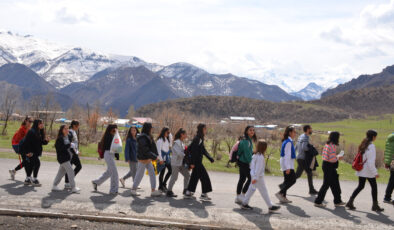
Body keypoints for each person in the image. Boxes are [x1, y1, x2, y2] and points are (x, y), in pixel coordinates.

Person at [346, 130, 384, 212]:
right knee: (374, 187)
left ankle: (350, 201)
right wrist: (375, 173)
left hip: (361, 169)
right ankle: (375, 205)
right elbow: (370, 162)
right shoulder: (371, 146)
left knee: (360, 186)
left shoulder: (363, 144)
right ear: (373, 137)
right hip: (368, 170)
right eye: (375, 136)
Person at [241, 139, 281, 213]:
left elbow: (251, 166)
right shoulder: (260, 157)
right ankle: (270, 206)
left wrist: (253, 176)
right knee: (263, 191)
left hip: (255, 176)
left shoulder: (255, 155)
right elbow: (258, 169)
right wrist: (255, 178)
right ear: (264, 148)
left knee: (252, 189)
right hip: (258, 177)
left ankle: (244, 203)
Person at [314, 132, 345, 207]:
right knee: (326, 185)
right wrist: (338, 157)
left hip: (326, 165)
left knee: (335, 183)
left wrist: (336, 157)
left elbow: (329, 156)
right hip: (329, 166)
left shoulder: (327, 144)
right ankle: (318, 202)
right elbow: (332, 159)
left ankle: (337, 201)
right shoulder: (332, 146)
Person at [130, 122, 162, 197]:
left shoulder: (147, 136)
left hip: (147, 158)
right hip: (143, 159)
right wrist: (155, 157)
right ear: (148, 128)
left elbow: (152, 147)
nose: (152, 129)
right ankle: (133, 189)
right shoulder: (143, 138)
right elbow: (145, 150)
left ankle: (153, 190)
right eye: (151, 128)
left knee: (152, 174)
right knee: (140, 174)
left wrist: (155, 156)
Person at [184, 123, 215, 201]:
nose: (206, 130)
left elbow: (203, 150)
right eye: (205, 129)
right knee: (205, 177)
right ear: (201, 129)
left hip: (197, 162)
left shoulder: (200, 138)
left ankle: (188, 192)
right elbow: (194, 151)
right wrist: (192, 163)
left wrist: (210, 158)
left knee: (195, 177)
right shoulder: (198, 138)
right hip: (197, 163)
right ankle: (204, 194)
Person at [92, 124, 120, 195]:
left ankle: (96, 182)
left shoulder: (112, 136)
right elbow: (114, 147)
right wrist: (116, 135)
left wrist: (117, 155)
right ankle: (113, 190)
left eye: (116, 129)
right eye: (114, 129)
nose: (115, 131)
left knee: (109, 172)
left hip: (110, 155)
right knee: (114, 173)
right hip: (108, 154)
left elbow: (117, 147)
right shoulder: (109, 137)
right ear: (110, 130)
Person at [52, 125, 80, 193]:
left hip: (67, 158)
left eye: (67, 128)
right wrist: (69, 145)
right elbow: (60, 148)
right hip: (63, 158)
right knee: (70, 171)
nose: (67, 130)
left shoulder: (67, 137)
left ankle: (54, 185)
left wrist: (75, 152)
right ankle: (73, 187)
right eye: (65, 129)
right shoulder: (60, 138)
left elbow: (70, 147)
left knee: (61, 172)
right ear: (62, 130)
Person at [23, 119, 49, 186]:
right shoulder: (31, 131)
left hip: (36, 152)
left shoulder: (39, 131)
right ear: (36, 124)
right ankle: (34, 179)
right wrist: (27, 152)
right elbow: (26, 142)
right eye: (40, 123)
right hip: (31, 152)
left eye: (42, 123)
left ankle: (27, 179)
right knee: (37, 164)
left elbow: (41, 142)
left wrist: (46, 141)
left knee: (32, 165)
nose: (42, 125)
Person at [235, 126, 257, 205]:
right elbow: (247, 155)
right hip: (244, 162)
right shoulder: (245, 141)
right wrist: (251, 163)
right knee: (250, 178)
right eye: (250, 130)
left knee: (242, 179)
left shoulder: (249, 140)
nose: (252, 131)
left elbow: (248, 152)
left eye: (253, 130)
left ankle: (238, 197)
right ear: (246, 131)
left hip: (242, 161)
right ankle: (242, 195)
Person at [166, 128, 190, 197]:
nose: (186, 135)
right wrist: (187, 156)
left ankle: (185, 190)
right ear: (181, 135)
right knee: (174, 177)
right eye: (185, 134)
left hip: (181, 163)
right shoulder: (176, 143)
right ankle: (169, 191)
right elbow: (179, 153)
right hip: (175, 163)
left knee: (187, 175)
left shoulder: (182, 142)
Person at [276, 126, 297, 203]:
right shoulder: (288, 142)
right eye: (294, 132)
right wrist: (288, 167)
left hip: (286, 163)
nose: (295, 133)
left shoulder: (288, 141)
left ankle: (283, 197)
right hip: (287, 163)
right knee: (293, 180)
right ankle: (281, 192)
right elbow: (287, 155)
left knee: (287, 180)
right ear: (290, 133)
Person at [295, 125, 318, 195]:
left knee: (299, 175)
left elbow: (296, 146)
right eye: (311, 129)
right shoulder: (306, 137)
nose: (311, 130)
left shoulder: (301, 136)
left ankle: (311, 189)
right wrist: (312, 148)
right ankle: (284, 185)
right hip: (303, 158)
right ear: (308, 129)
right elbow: (304, 147)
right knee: (309, 173)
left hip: (299, 157)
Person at [64, 120, 82, 189]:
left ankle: (68, 181)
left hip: (74, 152)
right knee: (78, 166)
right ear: (74, 125)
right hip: (71, 152)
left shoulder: (73, 131)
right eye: (77, 126)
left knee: (70, 167)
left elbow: (75, 143)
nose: (78, 127)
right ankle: (68, 182)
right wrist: (75, 152)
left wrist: (77, 150)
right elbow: (70, 144)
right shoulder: (70, 132)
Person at [156, 127, 172, 192]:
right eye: (167, 132)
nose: (168, 134)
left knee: (170, 171)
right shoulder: (160, 140)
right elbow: (158, 151)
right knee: (162, 173)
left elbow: (170, 143)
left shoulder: (167, 139)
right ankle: (160, 186)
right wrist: (161, 159)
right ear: (163, 132)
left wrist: (169, 134)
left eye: (169, 132)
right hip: (162, 158)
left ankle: (164, 184)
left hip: (167, 158)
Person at [383, 132, 394, 205]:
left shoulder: (390, 137)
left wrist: (387, 162)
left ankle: (387, 197)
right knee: (392, 180)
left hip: (391, 162)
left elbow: (388, 151)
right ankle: (387, 197)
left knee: (392, 180)